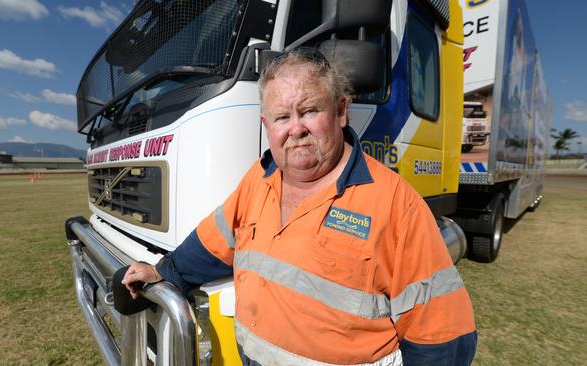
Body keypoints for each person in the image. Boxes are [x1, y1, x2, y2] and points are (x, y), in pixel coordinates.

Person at [122, 47, 477, 365]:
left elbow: (442, 338)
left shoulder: (396, 204)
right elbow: (212, 242)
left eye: (308, 111)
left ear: (340, 111)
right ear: (266, 125)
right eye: (281, 117)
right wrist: (164, 271)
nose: (296, 129)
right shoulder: (257, 181)